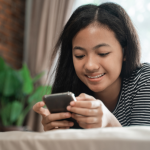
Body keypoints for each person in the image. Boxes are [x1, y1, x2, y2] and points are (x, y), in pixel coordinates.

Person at [33, 2, 150, 131]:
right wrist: (57, 135)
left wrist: (110, 122)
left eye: (102, 53)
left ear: (125, 52)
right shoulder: (71, 89)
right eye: (79, 55)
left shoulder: (144, 80)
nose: (90, 66)